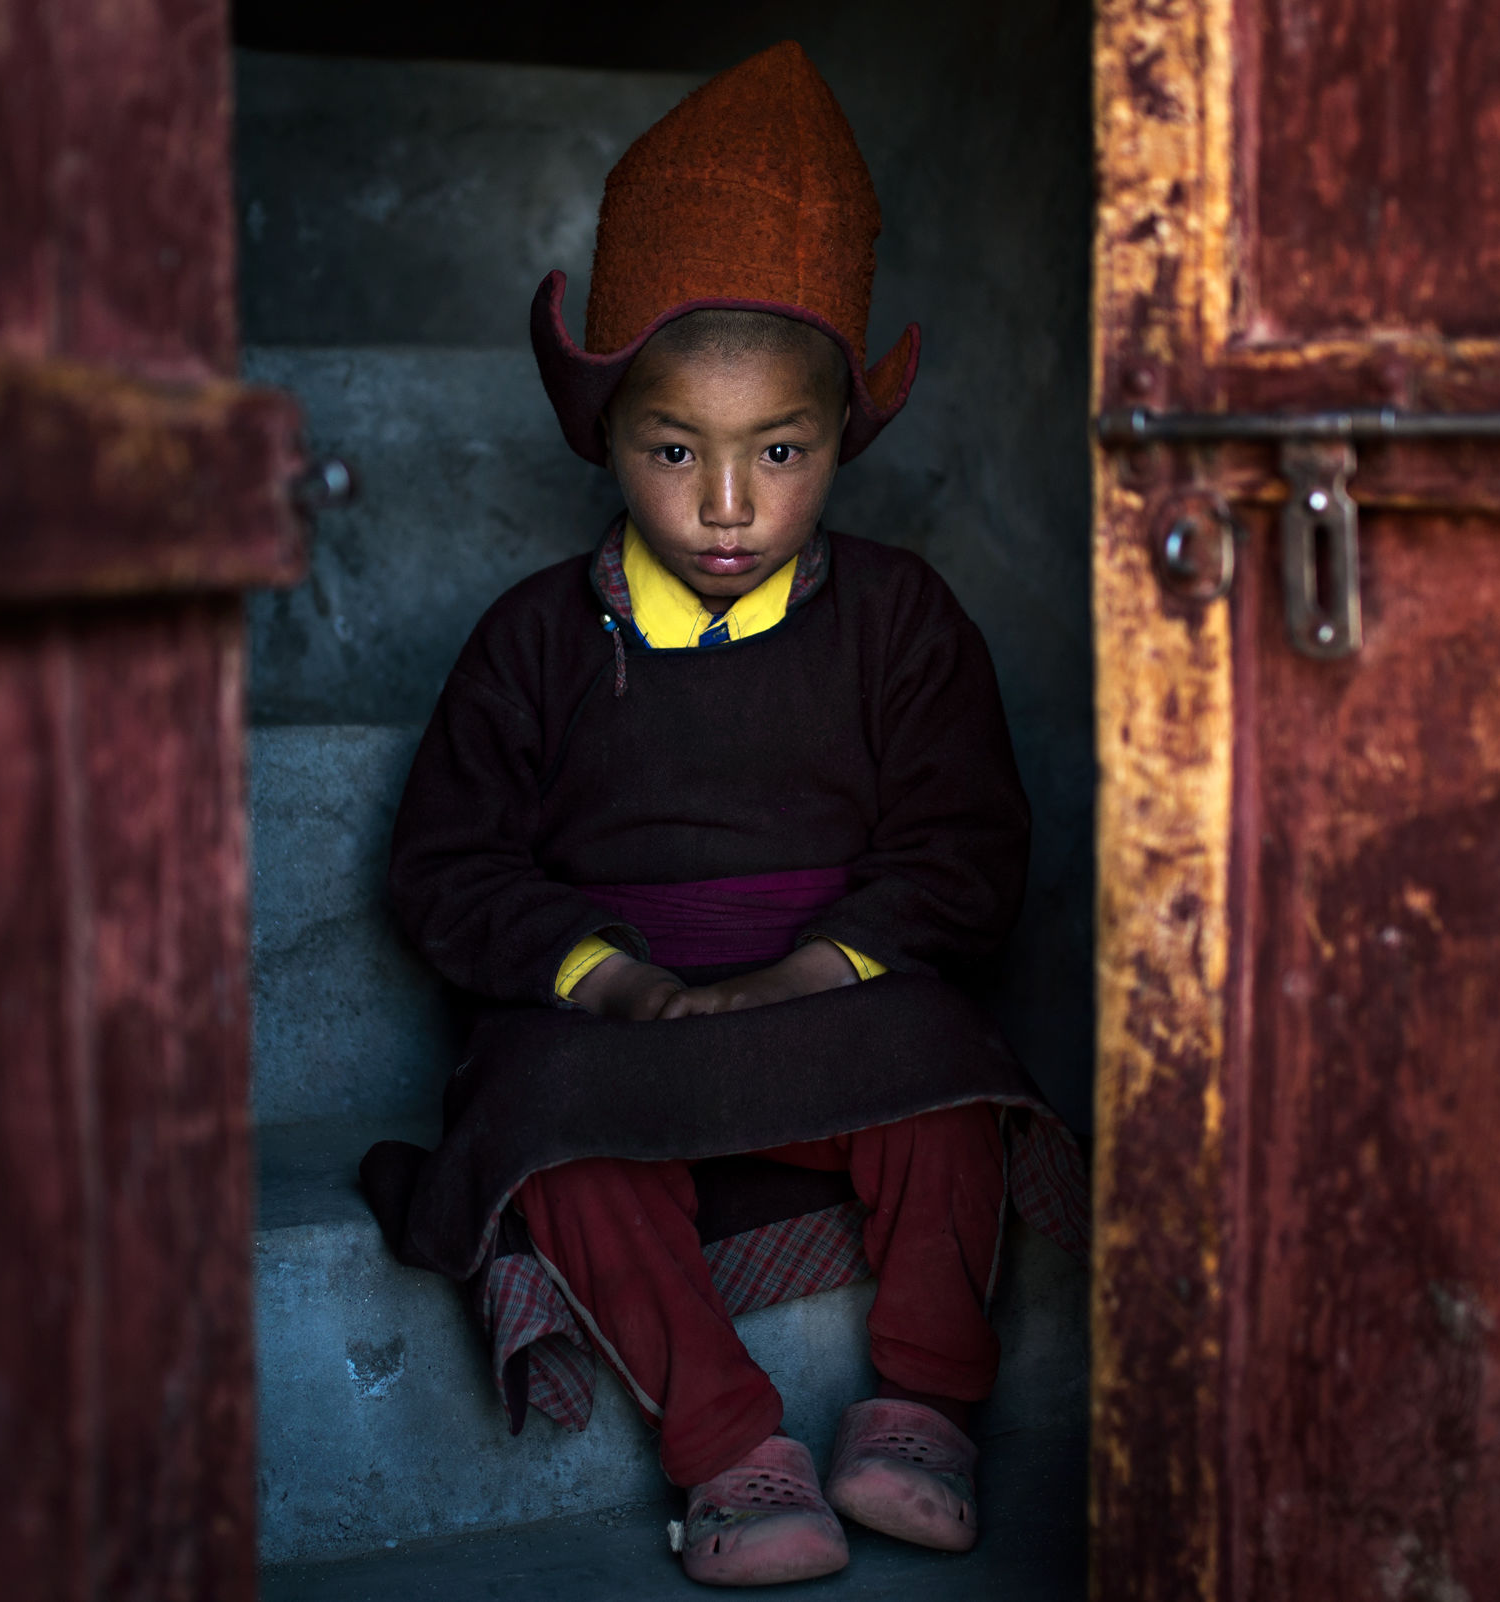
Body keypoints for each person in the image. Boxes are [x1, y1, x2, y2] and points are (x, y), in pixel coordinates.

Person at [357, 41, 1083, 1587]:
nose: (730, 511)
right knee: (538, 1121)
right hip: (627, 1013)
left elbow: (964, 851)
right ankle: (729, 1449)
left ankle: (923, 1406)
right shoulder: (539, 640)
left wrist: (815, 973)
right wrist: (609, 977)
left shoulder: (902, 621)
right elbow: (446, 865)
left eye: (783, 453)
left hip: (835, 1000)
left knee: (955, 1071)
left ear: (842, 437)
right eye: (676, 451)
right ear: (604, 438)